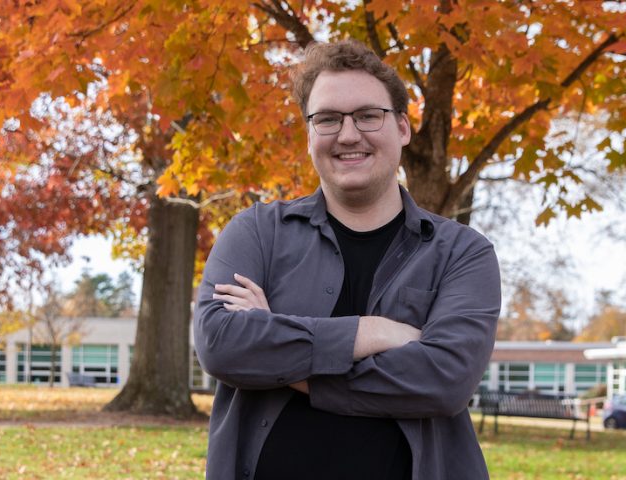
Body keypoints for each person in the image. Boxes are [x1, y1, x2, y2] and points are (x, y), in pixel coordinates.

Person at [194, 39, 501, 480]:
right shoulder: (257, 232)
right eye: (328, 119)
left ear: (402, 128)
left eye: (367, 115)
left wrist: (283, 362)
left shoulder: (463, 253)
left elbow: (445, 380)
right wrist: (370, 332)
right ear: (309, 133)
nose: (348, 134)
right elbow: (222, 343)